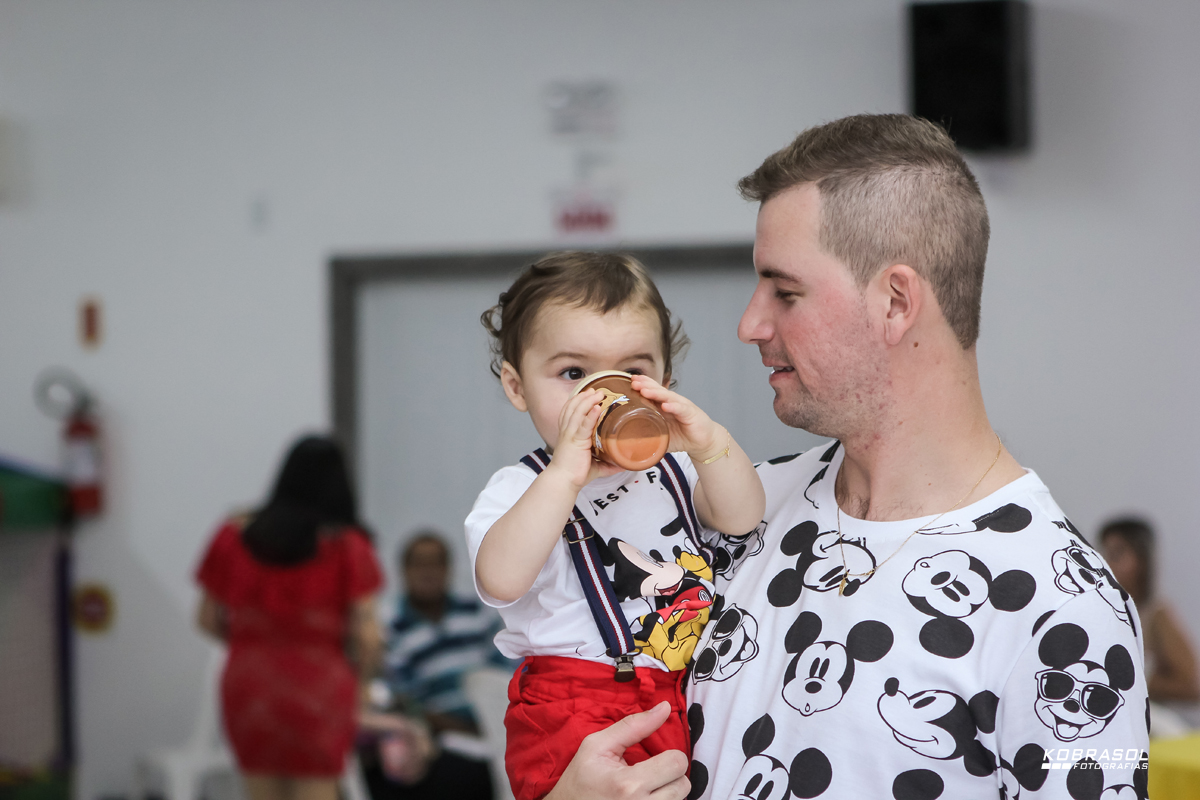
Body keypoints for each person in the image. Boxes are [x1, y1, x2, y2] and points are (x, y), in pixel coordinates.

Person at [544, 114, 1150, 800]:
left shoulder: (1061, 605)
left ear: (895, 303)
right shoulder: (739, 507)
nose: (750, 325)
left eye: (786, 292)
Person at [466, 251, 766, 800]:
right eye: (573, 373)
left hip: (670, 694)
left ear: (664, 382)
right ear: (517, 387)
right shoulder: (522, 487)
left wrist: (710, 444)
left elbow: (742, 515)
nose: (603, 396)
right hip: (572, 706)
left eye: (633, 372)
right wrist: (563, 477)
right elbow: (500, 579)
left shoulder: (673, 469)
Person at [195, 436, 383, 800]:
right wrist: (364, 683)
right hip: (320, 686)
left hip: (249, 683)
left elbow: (205, 619)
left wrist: (257, 643)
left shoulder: (232, 535)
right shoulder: (348, 546)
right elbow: (368, 636)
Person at [384, 530, 515, 734]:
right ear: (404, 570)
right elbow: (405, 700)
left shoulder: (477, 611)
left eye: (436, 563)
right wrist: (459, 729)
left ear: (448, 568)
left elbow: (504, 666)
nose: (428, 572)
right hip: (439, 739)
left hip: (499, 725)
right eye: (419, 564)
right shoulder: (393, 630)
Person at [1099, 517, 1199, 708]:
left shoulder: (1156, 615)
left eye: (1116, 554)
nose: (1107, 563)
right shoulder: (1107, 613)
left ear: (1142, 560)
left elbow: (1191, 687)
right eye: (1104, 554)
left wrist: (1131, 677)